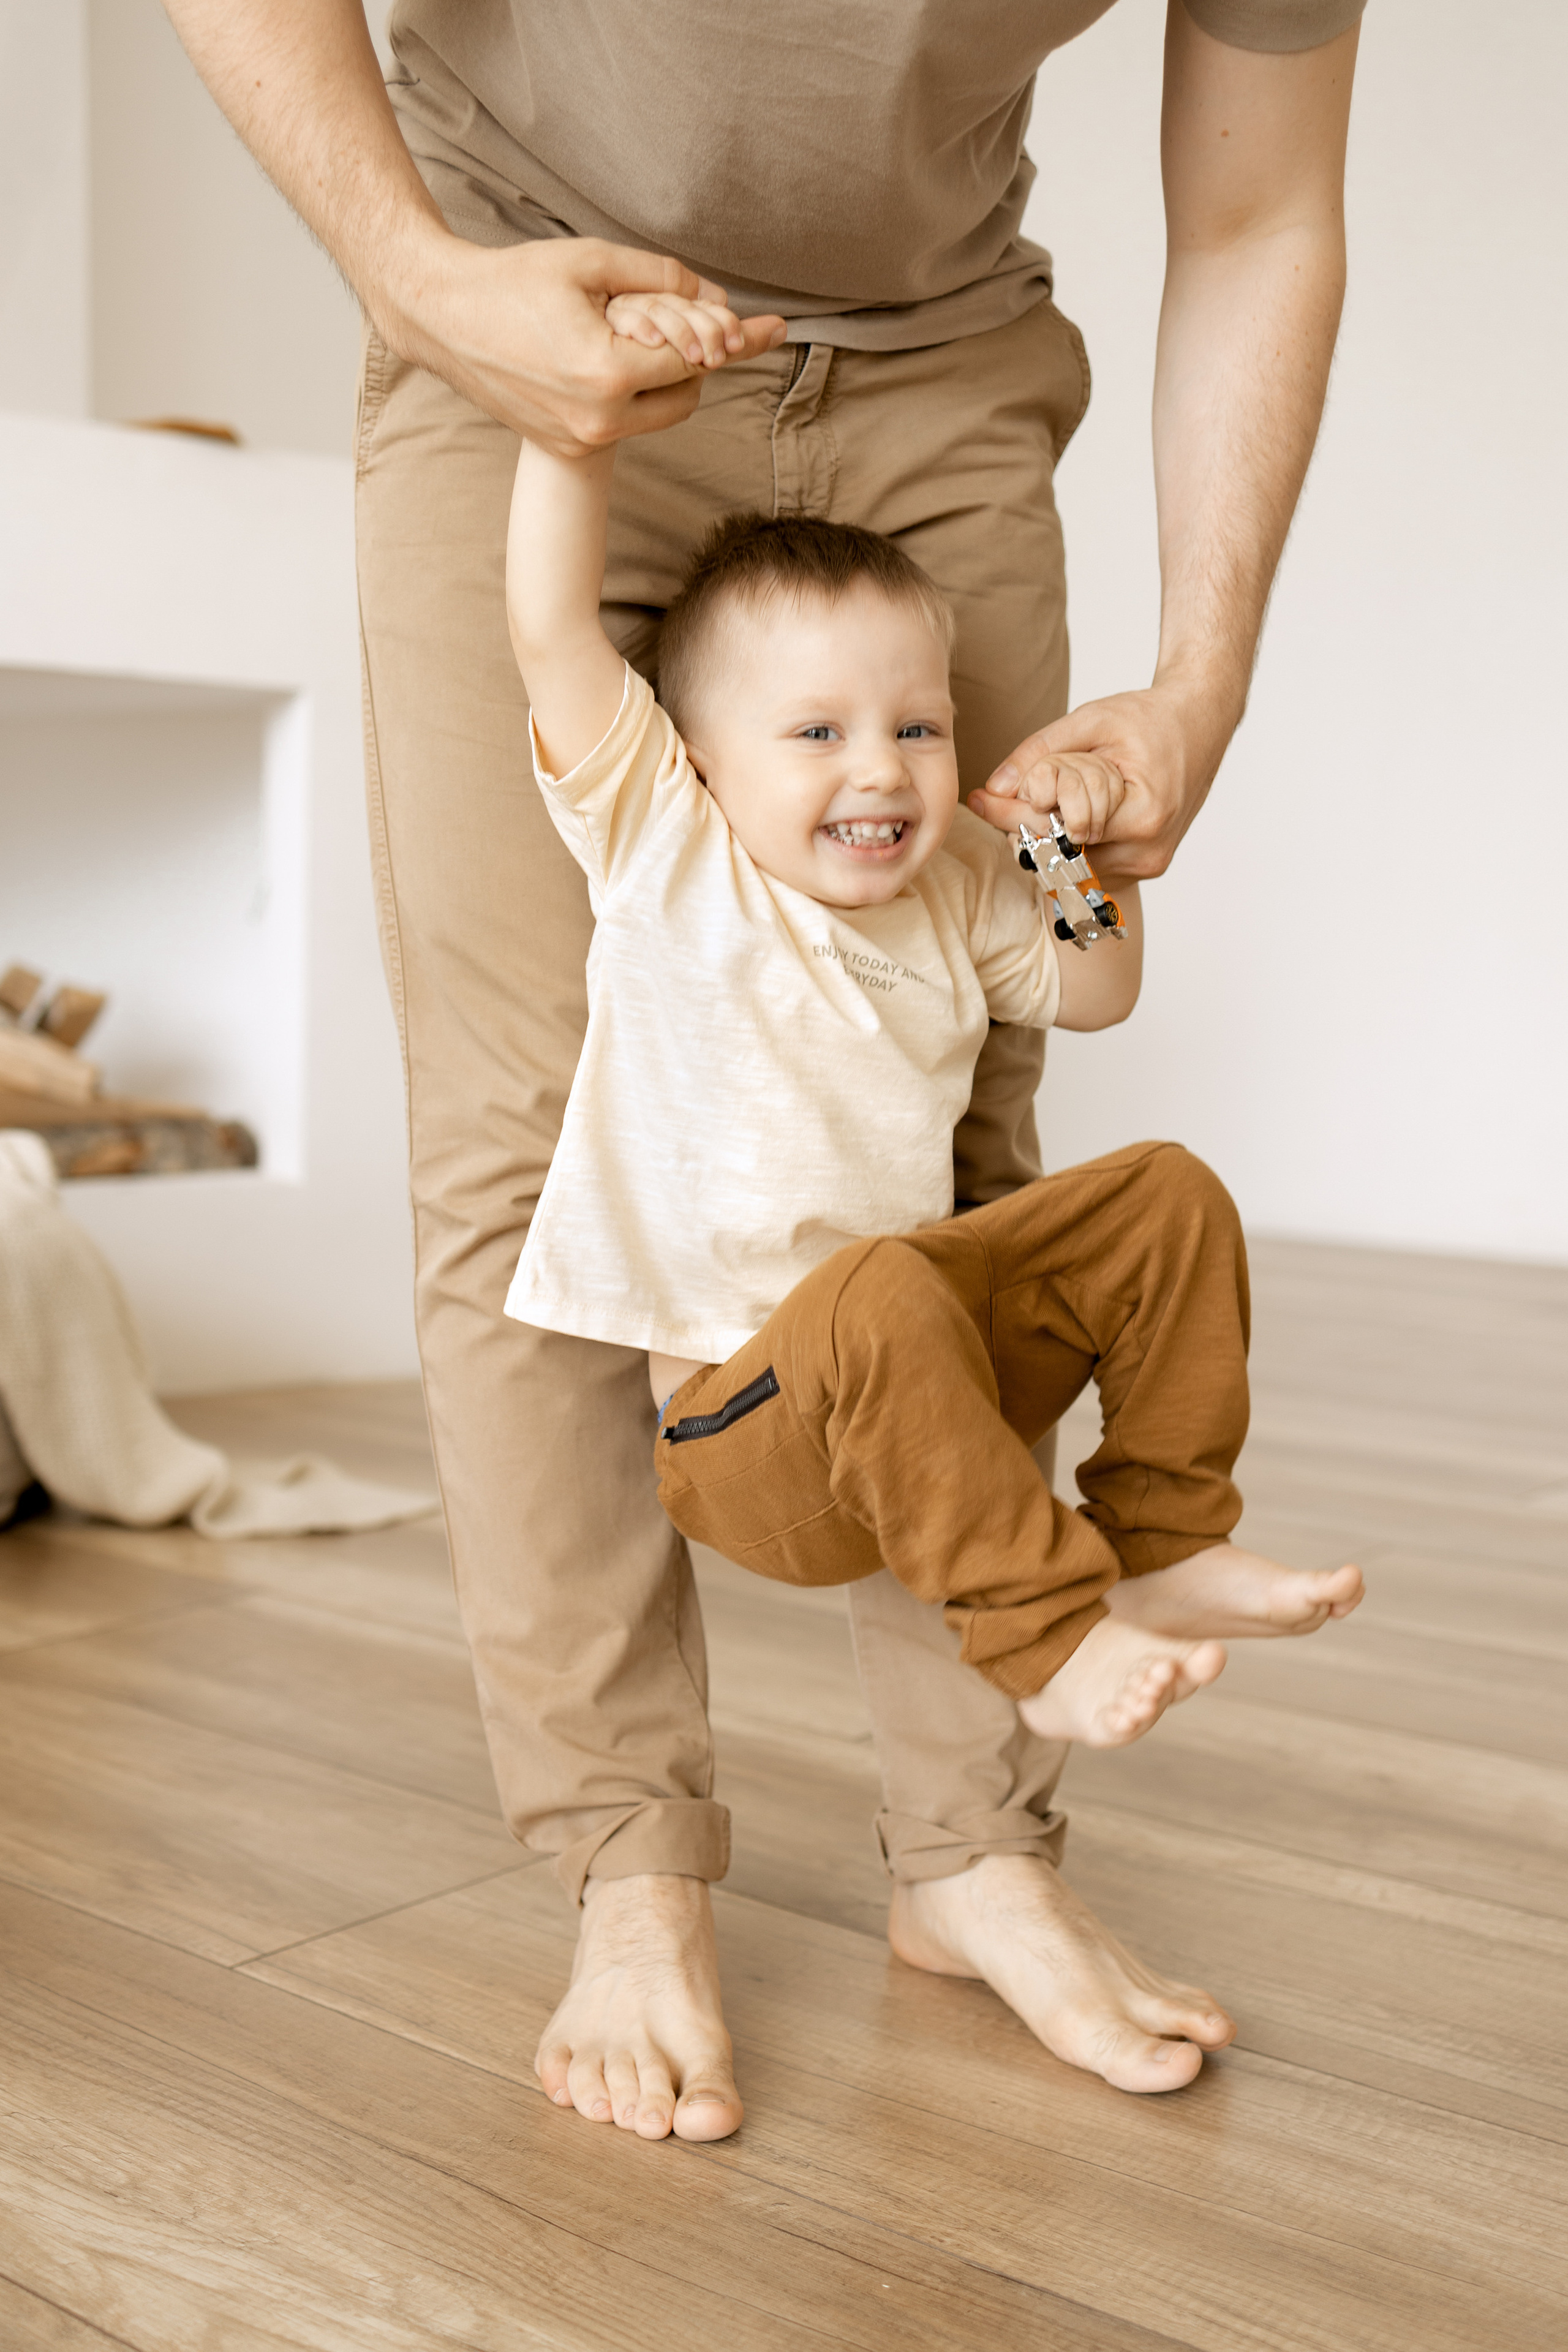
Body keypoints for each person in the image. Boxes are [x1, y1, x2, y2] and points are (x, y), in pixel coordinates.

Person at [164, 0, 1365, 2135]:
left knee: (988, 1169)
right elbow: (561, 665)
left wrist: (1186, 703)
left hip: (942, 358)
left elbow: (1264, 199)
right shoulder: (643, 802)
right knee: (519, 1163)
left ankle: (982, 1848)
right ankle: (630, 1874)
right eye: (828, 756)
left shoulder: (944, 852)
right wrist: (425, 285)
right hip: (528, 294)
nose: (879, 783)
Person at [504, 389, 1363, 1793]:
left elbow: (1097, 989)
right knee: (876, 1285)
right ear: (701, 764)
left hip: (917, 1395)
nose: (879, 770)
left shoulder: (952, 899)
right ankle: (1044, 1631)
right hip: (753, 1444)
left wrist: (1056, 854)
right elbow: (551, 629)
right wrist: (566, 424)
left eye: (917, 727)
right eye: (816, 734)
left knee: (1162, 1194)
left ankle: (1161, 1542)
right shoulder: (667, 849)